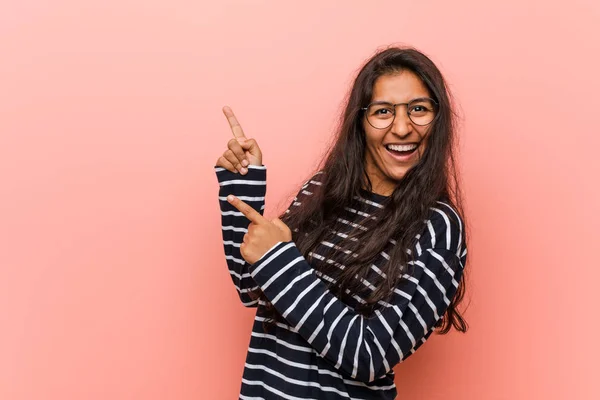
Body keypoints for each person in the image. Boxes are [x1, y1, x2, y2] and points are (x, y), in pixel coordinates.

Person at [214, 46, 468, 400]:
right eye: (383, 112)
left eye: (418, 110)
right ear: (360, 122)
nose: (402, 127)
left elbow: (371, 355)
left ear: (437, 119)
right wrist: (242, 184)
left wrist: (280, 260)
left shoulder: (439, 229)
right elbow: (253, 287)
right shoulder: (324, 188)